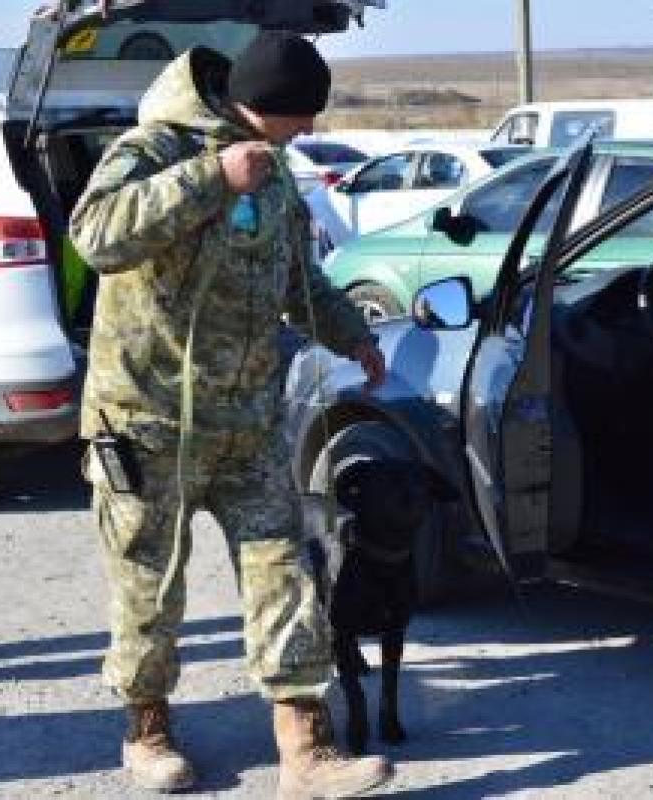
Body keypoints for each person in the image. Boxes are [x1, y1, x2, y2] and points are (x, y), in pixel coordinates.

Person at [70, 32, 391, 798]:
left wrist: (353, 335)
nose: (310, 131)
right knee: (148, 583)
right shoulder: (153, 148)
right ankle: (146, 729)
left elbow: (296, 275)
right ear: (264, 107)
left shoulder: (274, 170)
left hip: (246, 420)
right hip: (147, 421)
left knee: (285, 572)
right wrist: (208, 178)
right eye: (302, 116)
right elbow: (94, 234)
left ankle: (304, 749)